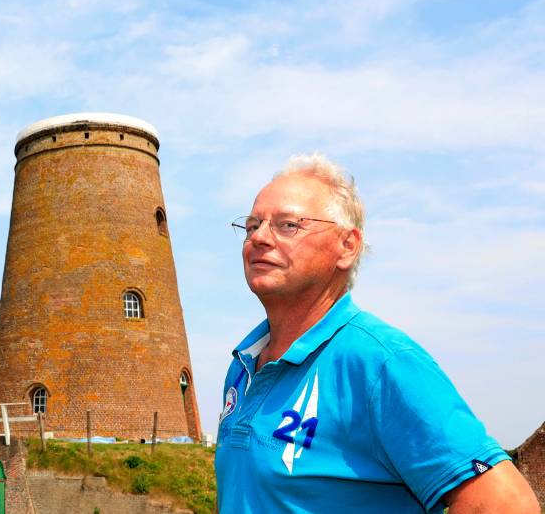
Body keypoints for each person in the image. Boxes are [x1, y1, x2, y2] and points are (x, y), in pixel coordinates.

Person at [215, 153, 537, 513]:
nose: (259, 238)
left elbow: (506, 503)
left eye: (288, 225)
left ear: (347, 246)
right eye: (252, 225)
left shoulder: (381, 362)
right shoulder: (243, 366)